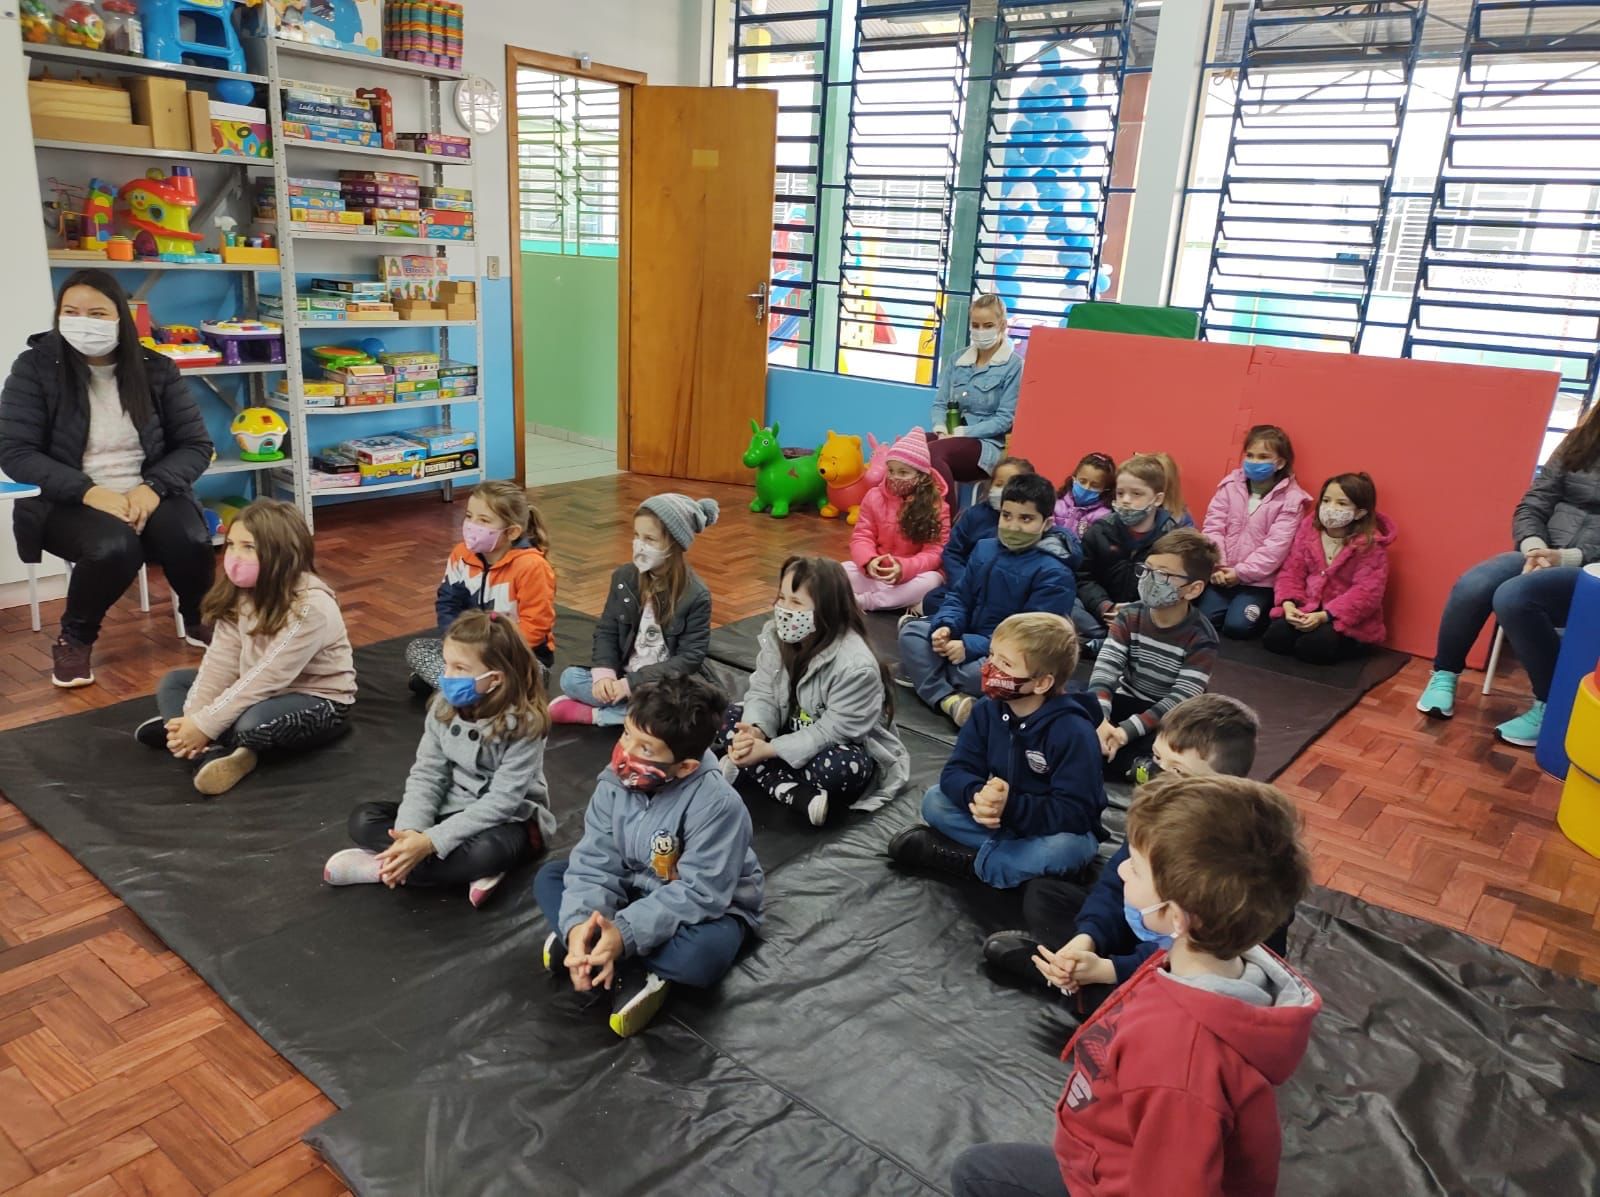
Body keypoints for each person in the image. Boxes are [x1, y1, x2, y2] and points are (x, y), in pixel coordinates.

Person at [949, 775, 1318, 1197]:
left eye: (1136, 867)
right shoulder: (1206, 967)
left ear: (1176, 917)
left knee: (976, 1175)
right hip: (1112, 1153)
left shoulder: (1178, 1060)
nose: (1121, 867)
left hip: (1110, 1180)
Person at [984, 695, 1288, 1021]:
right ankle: (1078, 974)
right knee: (1045, 895)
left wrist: (1113, 969)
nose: (1160, 777)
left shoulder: (1229, 851)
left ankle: (1084, 988)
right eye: (1157, 759)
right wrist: (1086, 940)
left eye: (1178, 771)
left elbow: (1197, 955)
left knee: (1173, 1009)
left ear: (1225, 782)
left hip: (1196, 964)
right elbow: (1115, 885)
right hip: (1152, 930)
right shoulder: (1160, 811)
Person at [0, 269, 215, 688]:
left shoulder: (157, 369)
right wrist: (90, 492)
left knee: (190, 536)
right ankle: (75, 638)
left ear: (121, 317)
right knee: (114, 547)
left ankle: (199, 617)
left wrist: (152, 488)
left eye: (97, 312)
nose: (83, 321)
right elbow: (15, 453)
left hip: (148, 491)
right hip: (67, 502)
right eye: (71, 311)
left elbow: (195, 445)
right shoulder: (34, 368)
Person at [535, 675, 765, 1038]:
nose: (625, 752)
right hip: (636, 887)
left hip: (708, 907)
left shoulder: (719, 807)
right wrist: (582, 922)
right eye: (626, 734)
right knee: (550, 877)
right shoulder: (615, 780)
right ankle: (591, 941)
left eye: (645, 748)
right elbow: (596, 860)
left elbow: (700, 893)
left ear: (686, 766)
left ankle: (613, 956)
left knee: (699, 958)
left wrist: (622, 934)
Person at [326, 610, 555, 907]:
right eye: (447, 663)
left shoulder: (526, 724)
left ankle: (386, 867)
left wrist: (430, 842)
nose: (448, 675)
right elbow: (427, 774)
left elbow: (502, 802)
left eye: (460, 667)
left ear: (495, 678)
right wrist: (411, 832)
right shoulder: (442, 707)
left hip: (509, 821)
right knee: (362, 819)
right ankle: (424, 863)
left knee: (487, 851)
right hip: (451, 809)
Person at [133, 499, 355, 796]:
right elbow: (220, 661)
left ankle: (207, 744)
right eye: (232, 545)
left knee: (251, 724)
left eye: (248, 547)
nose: (235, 555)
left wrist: (206, 724)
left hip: (316, 700)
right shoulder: (239, 595)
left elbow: (269, 675)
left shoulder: (311, 607)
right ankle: (199, 739)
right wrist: (195, 717)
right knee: (174, 683)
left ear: (281, 552)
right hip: (252, 687)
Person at [1419, 407, 1600, 746]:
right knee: (1475, 583)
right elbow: (1534, 502)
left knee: (1514, 596)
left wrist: (1567, 557)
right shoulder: (1580, 441)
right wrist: (1534, 547)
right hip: (1542, 552)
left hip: (1592, 572)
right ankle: (1444, 675)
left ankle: (1551, 704)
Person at [887, 613, 1107, 889]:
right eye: (992, 655)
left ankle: (973, 862)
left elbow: (1076, 812)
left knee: (1069, 849)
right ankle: (1016, 866)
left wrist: (1010, 807)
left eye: (1005, 664)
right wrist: (977, 796)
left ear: (1041, 683)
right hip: (1002, 820)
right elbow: (957, 770)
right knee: (935, 801)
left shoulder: (1073, 731)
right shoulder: (986, 710)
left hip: (1052, 829)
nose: (990, 668)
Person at [717, 556, 910, 827]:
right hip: (788, 732)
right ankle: (790, 789)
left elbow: (832, 732)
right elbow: (763, 691)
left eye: (796, 603)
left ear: (827, 611)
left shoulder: (856, 666)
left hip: (838, 745)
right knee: (727, 718)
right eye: (781, 598)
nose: (783, 609)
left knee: (840, 770)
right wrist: (754, 731)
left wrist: (769, 750)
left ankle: (757, 770)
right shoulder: (776, 636)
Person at [898, 473, 1077, 727]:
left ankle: (926, 675)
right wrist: (946, 627)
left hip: (1007, 656)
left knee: (984, 674)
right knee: (912, 632)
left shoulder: (1055, 574)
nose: (1013, 526)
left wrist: (970, 646)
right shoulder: (984, 548)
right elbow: (959, 597)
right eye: (1007, 516)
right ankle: (948, 700)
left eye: (1026, 519)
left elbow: (1032, 642)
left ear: (1046, 523)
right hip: (965, 640)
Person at [552, 494, 718, 725]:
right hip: (623, 674)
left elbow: (690, 658)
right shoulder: (624, 577)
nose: (640, 545)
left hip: (662, 684)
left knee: (684, 708)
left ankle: (599, 715)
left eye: (650, 539)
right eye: (637, 536)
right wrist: (604, 676)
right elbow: (607, 629)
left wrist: (631, 685)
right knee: (570, 678)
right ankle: (635, 715)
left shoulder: (696, 594)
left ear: (675, 544)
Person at [1088, 529, 1220, 779]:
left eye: (1162, 575)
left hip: (1168, 717)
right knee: (1076, 704)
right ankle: (1113, 756)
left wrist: (1125, 732)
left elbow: (1179, 698)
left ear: (1192, 589)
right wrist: (1101, 721)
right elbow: (1105, 670)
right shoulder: (1129, 616)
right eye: (1146, 570)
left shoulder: (1202, 637)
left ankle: (1137, 767)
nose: (1149, 580)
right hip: (1126, 702)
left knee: (1188, 743)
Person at [405, 479, 556, 691]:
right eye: (469, 516)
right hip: (469, 651)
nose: (472, 525)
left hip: (515, 657)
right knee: (417, 649)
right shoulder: (461, 555)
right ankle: (476, 688)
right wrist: (458, 649)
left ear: (512, 532)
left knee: (534, 676)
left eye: (484, 520)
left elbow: (535, 627)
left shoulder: (532, 566)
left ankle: (459, 686)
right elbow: (448, 603)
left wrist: (490, 659)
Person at [1265, 472, 1396, 666]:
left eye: (1342, 503)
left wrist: (1324, 615)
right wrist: (1289, 605)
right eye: (1326, 500)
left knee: (1313, 648)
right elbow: (1292, 570)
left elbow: (1367, 593)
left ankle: (1353, 645)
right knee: (1275, 639)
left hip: (1342, 619)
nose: (1331, 508)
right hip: (1307, 607)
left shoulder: (1370, 544)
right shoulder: (1308, 529)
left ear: (1360, 512)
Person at [1201, 425, 1311, 639]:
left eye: (1263, 456)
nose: (1254, 461)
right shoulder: (1229, 486)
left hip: (1258, 583)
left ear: (1280, 462)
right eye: (1250, 455)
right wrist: (1220, 565)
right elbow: (1213, 526)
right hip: (1221, 574)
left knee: (1237, 628)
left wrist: (1241, 573)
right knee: (1203, 621)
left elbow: (1276, 547)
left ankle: (1260, 611)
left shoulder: (1292, 500)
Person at [909, 454, 1035, 621]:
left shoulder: (1027, 525)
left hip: (1003, 594)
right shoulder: (974, 515)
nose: (1003, 490)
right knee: (933, 599)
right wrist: (963, 582)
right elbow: (953, 552)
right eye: (999, 484)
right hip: (967, 585)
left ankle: (952, 621)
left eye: (1010, 485)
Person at [928, 293, 1023, 513]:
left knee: (934, 453)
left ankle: (945, 523)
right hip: (950, 438)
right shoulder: (957, 360)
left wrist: (963, 433)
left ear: (1002, 325)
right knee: (911, 447)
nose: (981, 331)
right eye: (976, 325)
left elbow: (1004, 419)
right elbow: (940, 404)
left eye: (988, 325)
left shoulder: (1014, 365)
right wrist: (941, 429)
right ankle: (910, 520)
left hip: (987, 445)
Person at [843, 426, 951, 612]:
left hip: (911, 576)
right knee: (842, 570)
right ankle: (894, 601)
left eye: (903, 473)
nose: (894, 477)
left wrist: (903, 568)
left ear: (921, 476)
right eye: (891, 470)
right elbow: (862, 535)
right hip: (876, 573)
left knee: (933, 581)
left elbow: (935, 552)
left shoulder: (938, 506)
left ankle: (867, 602)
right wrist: (869, 562)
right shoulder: (873, 496)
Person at [1075, 453, 1181, 631]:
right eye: (1120, 493)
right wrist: (1104, 606)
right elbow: (1083, 578)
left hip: (1147, 617)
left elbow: (1176, 589)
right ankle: (1100, 639)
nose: (1125, 500)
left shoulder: (1173, 539)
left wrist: (1137, 611)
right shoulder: (1099, 531)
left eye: (1136, 494)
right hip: (1101, 612)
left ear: (1158, 499)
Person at [1052, 451, 1116, 539]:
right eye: (1082, 481)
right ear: (1074, 478)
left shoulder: (1104, 516)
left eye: (1095, 485)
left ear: (1105, 489)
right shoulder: (1056, 503)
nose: (1086, 488)